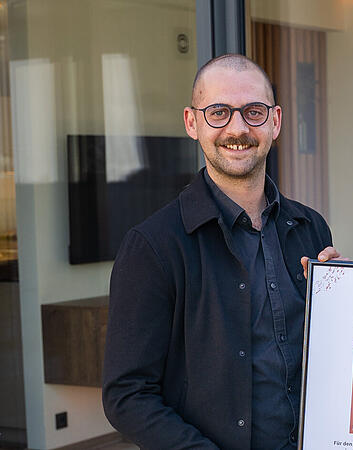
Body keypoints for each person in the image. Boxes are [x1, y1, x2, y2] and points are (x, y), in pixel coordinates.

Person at [102, 53, 338, 449]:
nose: (238, 128)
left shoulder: (310, 227)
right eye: (218, 112)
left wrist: (343, 307)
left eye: (253, 111)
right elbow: (126, 395)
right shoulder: (153, 246)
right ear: (192, 123)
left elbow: (319, 357)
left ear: (275, 121)